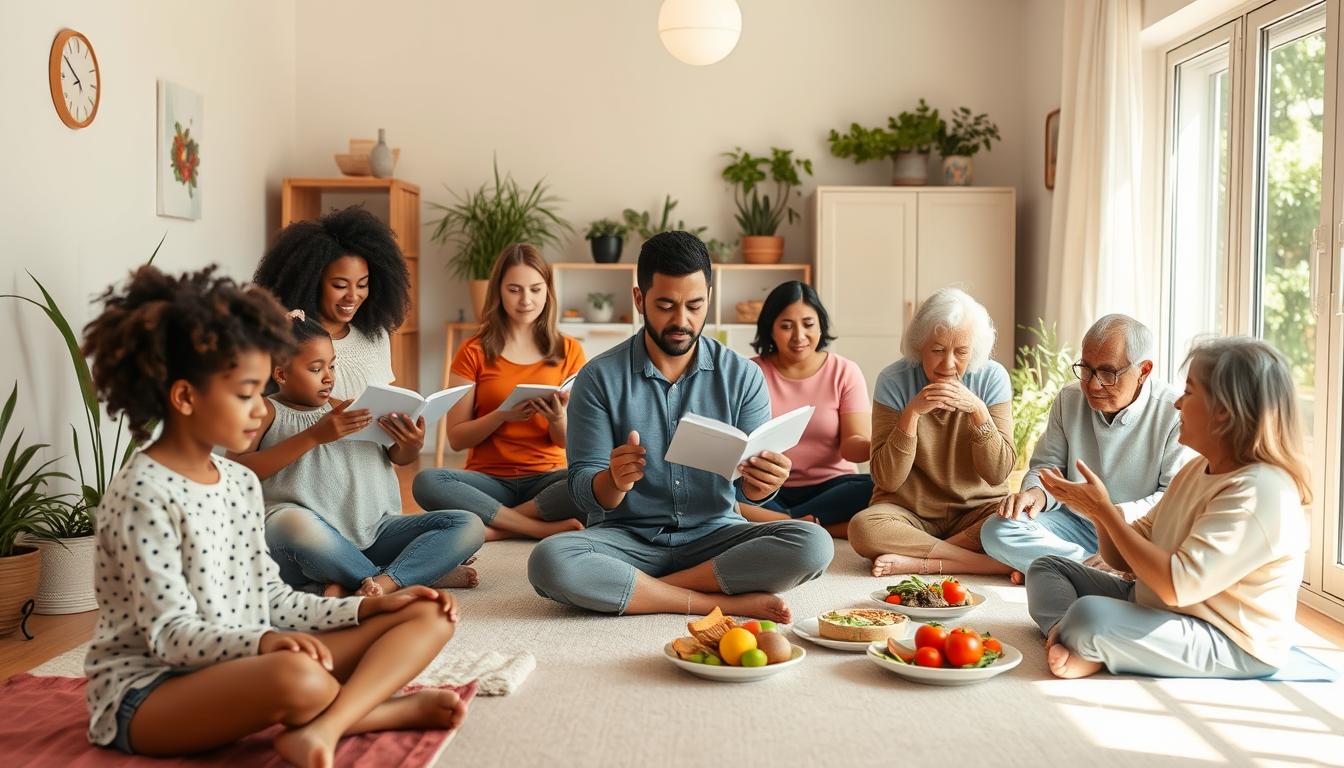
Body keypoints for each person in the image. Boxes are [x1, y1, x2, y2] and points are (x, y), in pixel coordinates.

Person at [80, 266, 468, 765]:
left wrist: (364, 609)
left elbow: (272, 598)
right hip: (150, 694)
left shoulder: (239, 481)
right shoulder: (142, 494)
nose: (259, 409)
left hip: (248, 660)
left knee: (427, 613)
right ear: (184, 397)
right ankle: (369, 713)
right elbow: (169, 636)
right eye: (247, 394)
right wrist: (268, 642)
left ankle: (326, 726)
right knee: (297, 676)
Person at [526, 232, 834, 621]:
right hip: (626, 539)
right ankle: (707, 601)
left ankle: (647, 589)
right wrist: (614, 481)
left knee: (814, 545)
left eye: (694, 305)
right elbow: (584, 492)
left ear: (709, 294)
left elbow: (750, 493)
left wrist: (764, 483)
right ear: (639, 300)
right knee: (550, 560)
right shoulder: (598, 378)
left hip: (716, 535)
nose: (682, 321)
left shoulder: (743, 377)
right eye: (666, 305)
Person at [1027, 337, 1312, 679]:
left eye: (1189, 392)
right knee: (1047, 568)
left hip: (1228, 639)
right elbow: (1120, 558)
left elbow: (1178, 585)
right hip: (1156, 603)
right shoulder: (1197, 469)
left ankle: (1091, 641)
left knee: (1089, 615)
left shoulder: (1259, 491)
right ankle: (1070, 635)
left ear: (1223, 410)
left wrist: (1104, 512)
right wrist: (1098, 513)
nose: (1177, 403)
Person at [230, 312, 484, 597]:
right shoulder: (263, 411)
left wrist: (411, 443)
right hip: (305, 542)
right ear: (281, 374)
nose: (329, 377)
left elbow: (397, 458)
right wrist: (314, 436)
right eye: (316, 369)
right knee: (291, 524)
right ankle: (409, 574)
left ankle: (373, 582)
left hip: (374, 532)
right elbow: (235, 474)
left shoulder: (350, 410)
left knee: (468, 524)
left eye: (332, 366)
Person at [981, 314, 1190, 582]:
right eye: (1086, 368)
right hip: (1074, 526)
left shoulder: (1173, 412)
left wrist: (1115, 525)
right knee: (997, 530)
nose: (1092, 384)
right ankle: (1096, 571)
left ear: (1144, 370)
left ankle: (1066, 568)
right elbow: (1048, 467)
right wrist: (1035, 493)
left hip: (1134, 533)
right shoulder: (1069, 399)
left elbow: (1171, 499)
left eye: (1107, 372)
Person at [412, 244, 588, 540]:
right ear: (498, 292)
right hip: (488, 481)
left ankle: (497, 528)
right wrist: (501, 415)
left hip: (546, 480)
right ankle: (532, 527)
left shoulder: (569, 350)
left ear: (548, 291)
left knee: (591, 481)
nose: (526, 300)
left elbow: (571, 445)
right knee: (427, 481)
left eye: (535, 289)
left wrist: (557, 420)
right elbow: (456, 438)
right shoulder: (474, 350)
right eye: (514, 290)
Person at [848, 287, 1015, 577]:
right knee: (863, 528)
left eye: (961, 352)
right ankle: (973, 563)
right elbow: (887, 478)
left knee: (1018, 518)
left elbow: (997, 473)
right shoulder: (894, 380)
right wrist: (911, 413)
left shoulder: (992, 377)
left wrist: (978, 411)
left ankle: (923, 560)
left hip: (976, 512)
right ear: (919, 346)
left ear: (973, 350)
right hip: (910, 512)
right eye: (937, 350)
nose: (948, 364)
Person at [738, 280, 872, 537]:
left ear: (821, 326)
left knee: (878, 487)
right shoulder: (750, 372)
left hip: (833, 487)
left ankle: (783, 522)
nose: (799, 336)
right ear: (771, 330)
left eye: (808, 324)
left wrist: (885, 442)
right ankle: (815, 525)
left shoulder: (845, 371)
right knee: (716, 491)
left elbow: (853, 448)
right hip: (765, 488)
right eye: (786, 326)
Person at [254, 205, 411, 401]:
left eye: (362, 284)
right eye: (339, 285)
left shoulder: (377, 336)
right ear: (310, 283)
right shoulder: (288, 337)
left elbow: (387, 403)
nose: (353, 296)